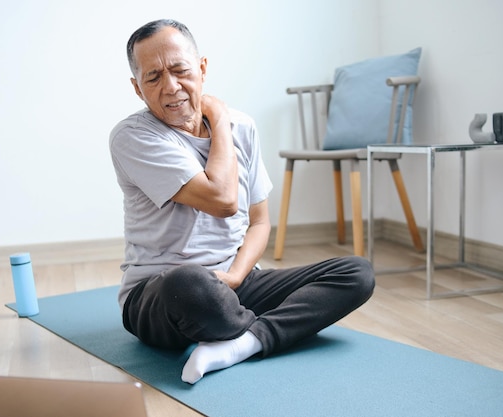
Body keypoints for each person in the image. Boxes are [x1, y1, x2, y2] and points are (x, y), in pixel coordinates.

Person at [109, 19, 375, 385]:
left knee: (356, 273)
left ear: (201, 68)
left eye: (180, 70)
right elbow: (222, 200)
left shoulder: (244, 126)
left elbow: (260, 222)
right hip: (161, 293)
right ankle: (269, 330)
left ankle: (243, 342)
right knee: (188, 283)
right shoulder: (132, 137)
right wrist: (219, 121)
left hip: (237, 284)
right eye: (153, 77)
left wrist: (235, 275)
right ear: (137, 89)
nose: (171, 87)